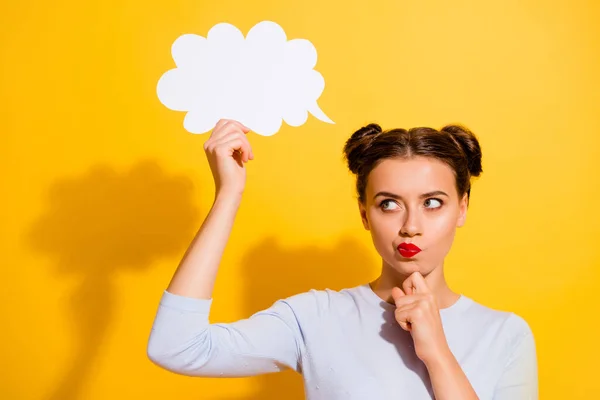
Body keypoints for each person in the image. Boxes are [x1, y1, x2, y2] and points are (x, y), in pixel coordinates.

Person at [147, 119, 538, 399]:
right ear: (365, 214)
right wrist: (228, 194)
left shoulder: (505, 335)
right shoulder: (316, 317)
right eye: (389, 204)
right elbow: (176, 347)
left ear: (462, 208)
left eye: (432, 203)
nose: (410, 226)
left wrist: (437, 353)